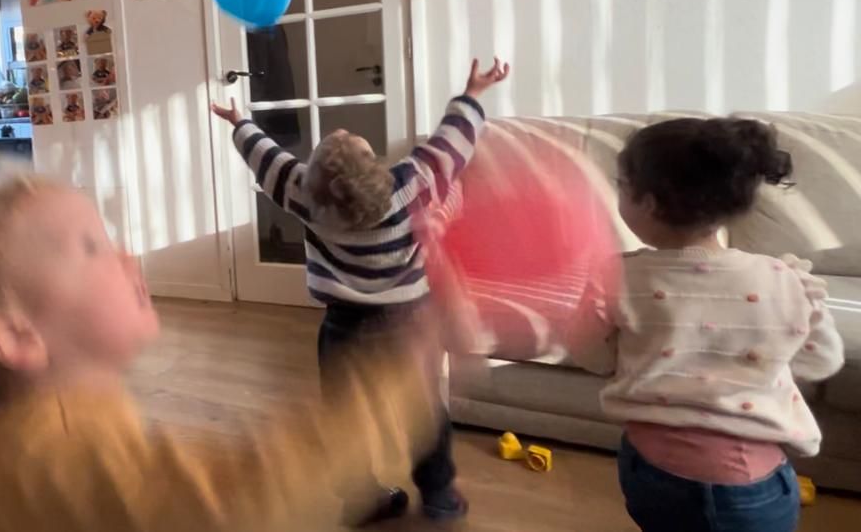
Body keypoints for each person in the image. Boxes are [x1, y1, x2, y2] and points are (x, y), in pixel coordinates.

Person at [0, 176, 441, 532]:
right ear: (19, 336)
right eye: (91, 247)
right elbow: (239, 501)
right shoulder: (68, 448)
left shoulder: (11, 420)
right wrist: (397, 380)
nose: (127, 256)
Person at [212, 58, 510, 525]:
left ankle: (360, 498)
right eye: (351, 141)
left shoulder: (306, 196)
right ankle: (439, 497)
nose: (343, 130)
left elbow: (267, 160)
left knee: (345, 418)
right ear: (377, 169)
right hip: (408, 326)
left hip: (343, 328)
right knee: (424, 412)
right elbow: (453, 142)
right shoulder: (411, 185)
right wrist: (472, 93)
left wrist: (240, 124)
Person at [567, 118, 845, 532]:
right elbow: (821, 361)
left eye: (621, 186)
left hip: (651, 470)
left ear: (649, 203)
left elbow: (590, 356)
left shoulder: (616, 276)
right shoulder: (783, 280)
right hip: (751, 484)